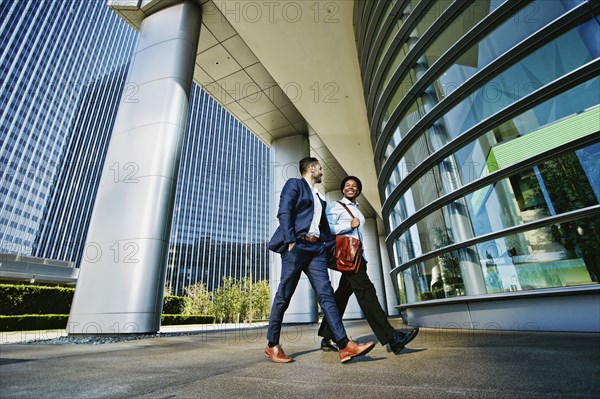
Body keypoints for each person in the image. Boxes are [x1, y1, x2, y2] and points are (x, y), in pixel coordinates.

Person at [265, 158, 375, 363]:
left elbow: (325, 228)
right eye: (320, 168)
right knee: (284, 296)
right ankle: (272, 345)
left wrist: (325, 247)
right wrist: (290, 241)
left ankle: (344, 345)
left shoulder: (320, 196)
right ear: (311, 168)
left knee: (327, 295)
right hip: (297, 246)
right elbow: (284, 212)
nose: (321, 171)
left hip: (316, 250)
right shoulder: (295, 184)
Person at [318, 176, 419, 354]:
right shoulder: (335, 206)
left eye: (354, 186)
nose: (351, 188)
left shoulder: (358, 209)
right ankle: (392, 338)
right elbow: (326, 229)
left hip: (357, 257)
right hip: (347, 257)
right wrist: (348, 225)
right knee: (367, 293)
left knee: (341, 296)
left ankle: (327, 336)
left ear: (358, 191)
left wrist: (362, 256)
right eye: (347, 185)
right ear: (343, 189)